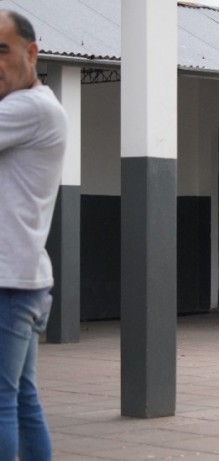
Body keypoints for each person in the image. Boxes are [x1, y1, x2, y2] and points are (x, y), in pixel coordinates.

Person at [0, 9, 67, 460]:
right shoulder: (39, 106)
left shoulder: (27, 108)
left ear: (32, 53)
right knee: (22, 400)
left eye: (1, 51)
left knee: (4, 403)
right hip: (24, 277)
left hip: (8, 281)